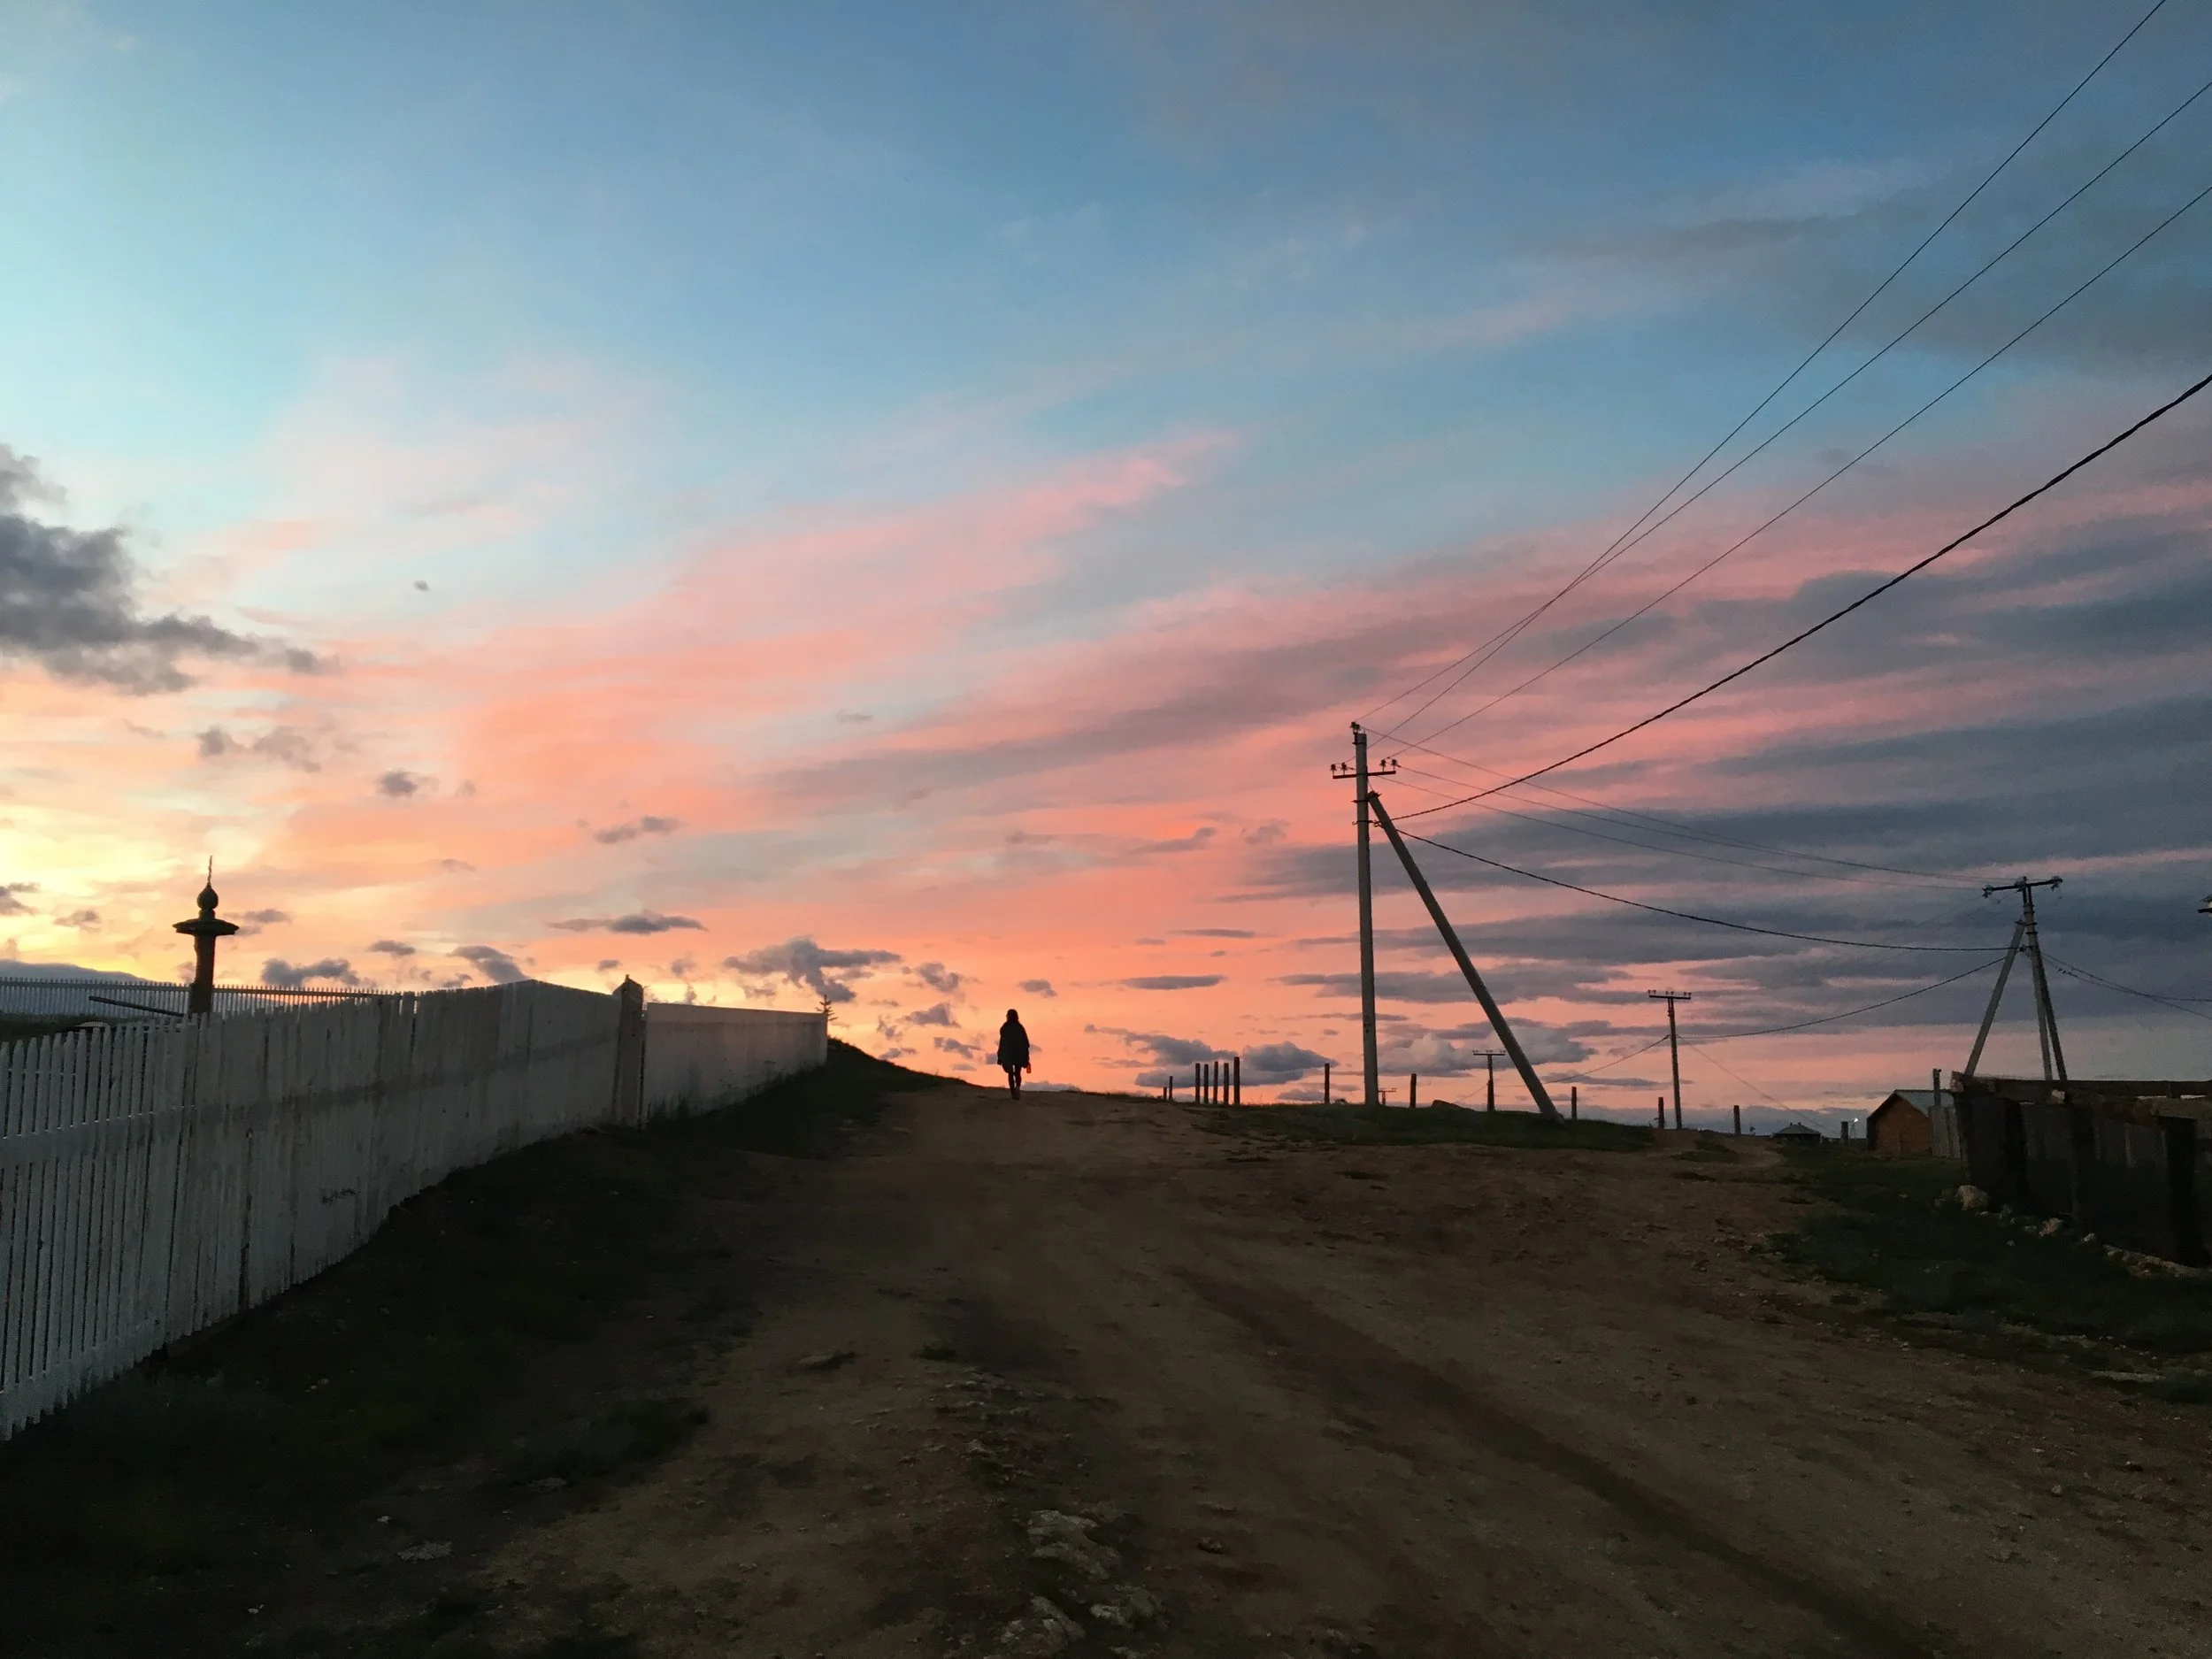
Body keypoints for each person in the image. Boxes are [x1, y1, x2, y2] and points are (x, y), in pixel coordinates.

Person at [996, 1008, 1032, 1099]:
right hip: (1018, 1054)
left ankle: (1013, 1092)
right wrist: (1026, 1055)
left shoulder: (1005, 1027)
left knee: (1010, 1074)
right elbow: (1026, 1043)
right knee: (1017, 1073)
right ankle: (1017, 1088)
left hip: (1009, 1054)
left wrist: (1000, 1055)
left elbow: (1002, 1043)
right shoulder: (1019, 1027)